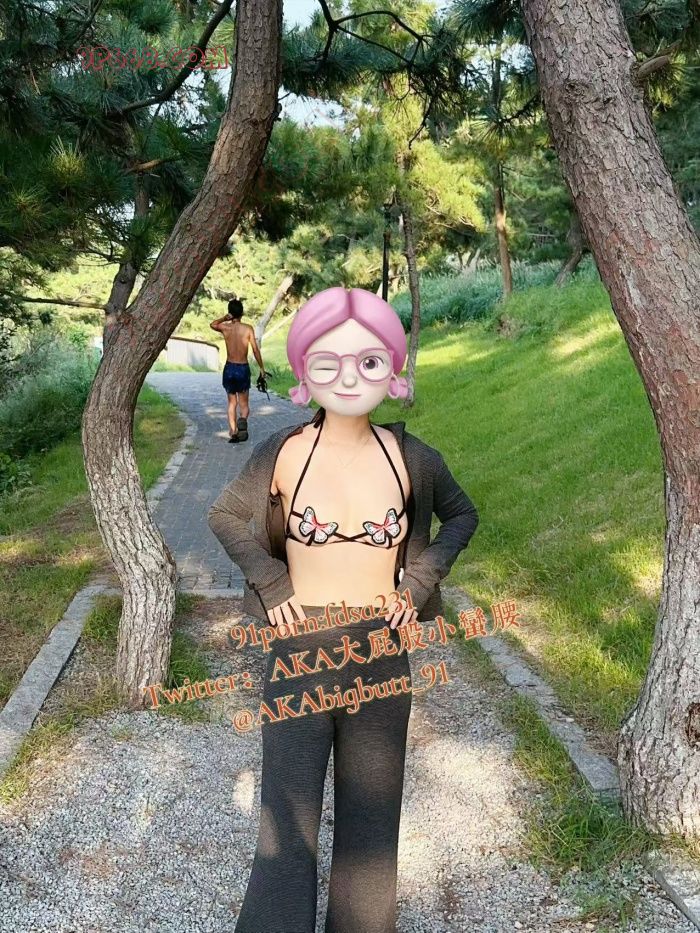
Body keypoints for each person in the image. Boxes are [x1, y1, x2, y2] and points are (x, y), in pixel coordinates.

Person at [207, 287, 480, 932]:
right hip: (300, 653)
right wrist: (273, 586)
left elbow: (462, 516)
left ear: (393, 370)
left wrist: (418, 584)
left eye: (369, 361)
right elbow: (225, 515)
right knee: (287, 818)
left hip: (381, 654)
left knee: (371, 821)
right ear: (304, 371)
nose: (350, 377)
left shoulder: (414, 459)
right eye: (328, 362)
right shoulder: (283, 453)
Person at [210, 298, 266, 443]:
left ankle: (233, 431)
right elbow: (255, 350)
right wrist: (261, 368)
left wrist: (224, 318)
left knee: (231, 403)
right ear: (242, 313)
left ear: (230, 313)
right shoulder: (248, 329)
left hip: (229, 368)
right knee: (244, 405)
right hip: (242, 368)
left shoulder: (225, 328)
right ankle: (242, 420)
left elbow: (213, 324)